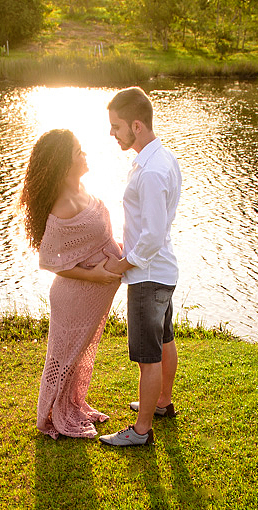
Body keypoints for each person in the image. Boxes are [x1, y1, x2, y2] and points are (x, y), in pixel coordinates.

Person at [21, 128, 123, 439]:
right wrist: (94, 275)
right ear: (65, 164)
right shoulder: (63, 206)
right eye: (78, 152)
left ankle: (70, 405)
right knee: (62, 359)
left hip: (89, 296)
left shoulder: (81, 190)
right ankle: (50, 415)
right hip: (74, 297)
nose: (85, 155)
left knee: (77, 358)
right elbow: (49, 260)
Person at [98, 87, 182, 448]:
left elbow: (150, 236)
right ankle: (162, 402)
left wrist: (122, 264)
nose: (111, 133)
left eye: (116, 126)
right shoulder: (162, 157)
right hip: (161, 270)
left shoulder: (151, 172)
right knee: (164, 340)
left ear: (137, 125)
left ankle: (141, 430)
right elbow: (153, 228)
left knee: (147, 357)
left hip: (147, 276)